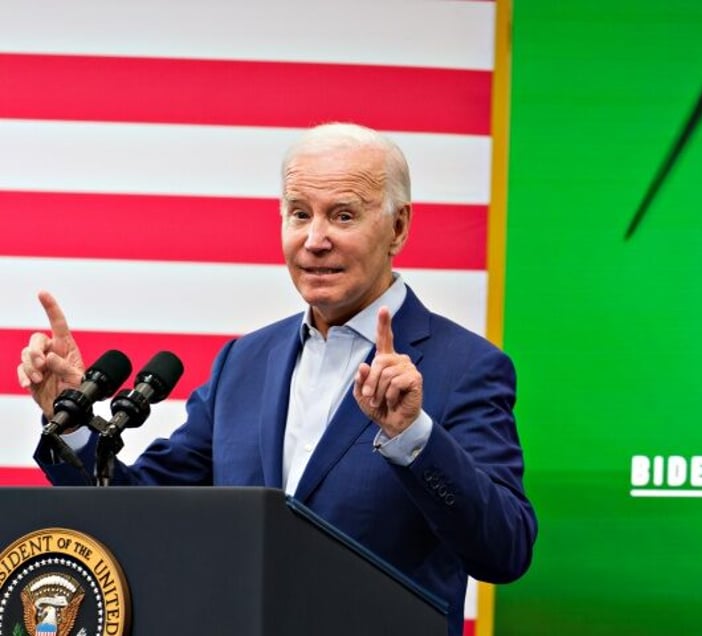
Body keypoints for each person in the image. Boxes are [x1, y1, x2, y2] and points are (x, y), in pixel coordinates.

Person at [17, 123, 537, 636]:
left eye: (343, 215)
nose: (315, 240)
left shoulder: (465, 367)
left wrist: (413, 437)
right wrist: (72, 422)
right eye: (299, 214)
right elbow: (139, 511)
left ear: (398, 227)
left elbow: (505, 549)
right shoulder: (245, 361)